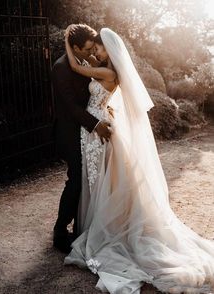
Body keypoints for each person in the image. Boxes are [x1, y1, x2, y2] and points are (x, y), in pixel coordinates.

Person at [63, 26, 214, 293]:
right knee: (101, 180)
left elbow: (77, 68)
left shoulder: (108, 72)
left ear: (108, 50)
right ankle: (96, 223)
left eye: (97, 48)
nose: (95, 52)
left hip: (99, 130)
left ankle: (103, 227)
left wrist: (66, 40)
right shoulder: (108, 71)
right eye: (93, 48)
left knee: (102, 180)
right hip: (97, 128)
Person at [51, 24, 112, 254]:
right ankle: (59, 231)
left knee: (89, 179)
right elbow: (71, 107)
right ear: (74, 48)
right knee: (76, 179)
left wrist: (103, 111)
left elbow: (92, 95)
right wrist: (96, 124)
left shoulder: (85, 62)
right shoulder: (61, 68)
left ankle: (81, 227)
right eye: (87, 49)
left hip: (85, 132)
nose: (91, 53)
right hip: (69, 132)